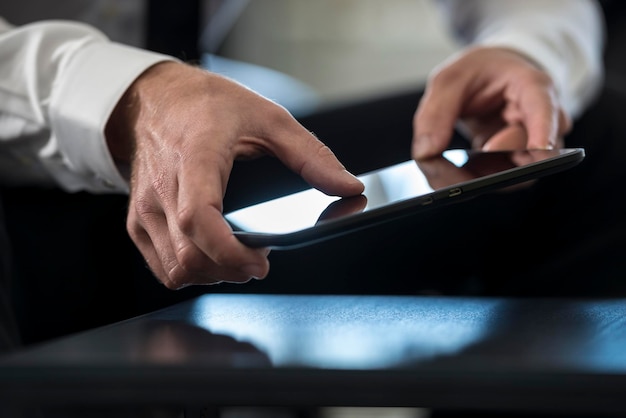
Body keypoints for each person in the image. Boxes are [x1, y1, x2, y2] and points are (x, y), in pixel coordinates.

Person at [0, 0, 610, 350]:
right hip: (22, 169)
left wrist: (530, 50)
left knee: (597, 142)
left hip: (204, 152)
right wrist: (131, 97)